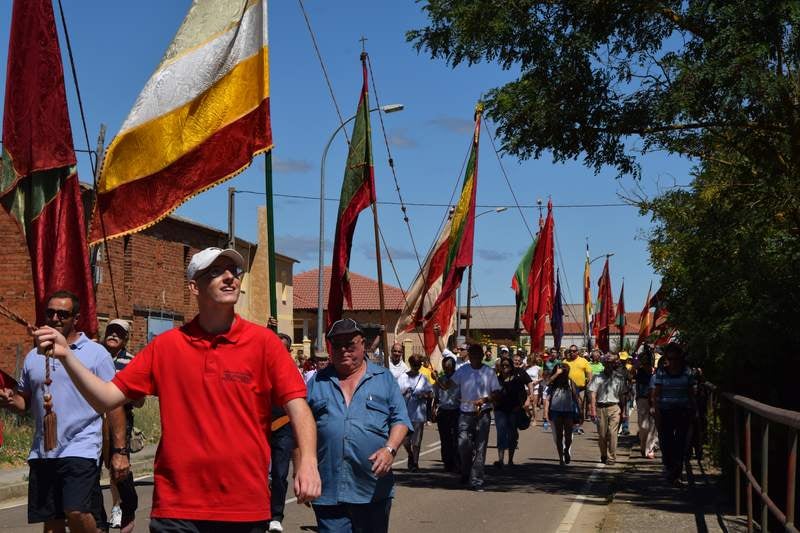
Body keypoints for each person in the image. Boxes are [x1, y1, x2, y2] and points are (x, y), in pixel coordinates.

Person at [31, 248, 321, 532]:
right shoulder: (166, 346)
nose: (230, 277)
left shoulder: (264, 344)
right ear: (195, 286)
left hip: (244, 507)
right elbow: (107, 397)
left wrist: (307, 462)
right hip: (177, 507)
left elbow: (298, 407)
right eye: (216, 272)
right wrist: (67, 356)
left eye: (234, 271)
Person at [0, 290, 118, 533]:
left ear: (76, 318)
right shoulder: (33, 356)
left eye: (63, 314)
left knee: (76, 511)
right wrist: (10, 400)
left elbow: (114, 403)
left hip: (81, 447)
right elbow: (23, 402)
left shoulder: (96, 354)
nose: (55, 318)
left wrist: (119, 451)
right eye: (50, 312)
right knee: (51, 522)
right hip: (43, 451)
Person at [306, 318, 411, 532]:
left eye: (350, 344)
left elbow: (401, 419)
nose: (343, 350)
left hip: (371, 489)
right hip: (328, 489)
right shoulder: (316, 382)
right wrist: (302, 469)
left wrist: (390, 449)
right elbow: (299, 430)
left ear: (363, 343)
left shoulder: (384, 379)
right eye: (336, 345)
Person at [101, 319, 142, 533]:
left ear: (125, 339)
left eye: (119, 333)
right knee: (91, 465)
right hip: (94, 419)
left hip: (120, 419)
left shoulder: (131, 362)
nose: (114, 335)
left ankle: (119, 507)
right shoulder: (95, 355)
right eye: (111, 331)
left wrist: (121, 393)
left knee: (117, 467)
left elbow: (140, 399)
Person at [447, 344, 501, 491]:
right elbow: (448, 385)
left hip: (482, 414)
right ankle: (466, 471)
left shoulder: (489, 372)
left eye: (477, 355)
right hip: (465, 413)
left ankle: (476, 480)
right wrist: (439, 381)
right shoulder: (463, 370)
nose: (474, 357)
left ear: (482, 356)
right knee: (462, 443)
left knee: (480, 447)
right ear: (469, 356)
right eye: (472, 355)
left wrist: (484, 400)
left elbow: (497, 393)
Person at [268, 332, 300, 533]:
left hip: (283, 426)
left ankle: (276, 515)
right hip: (259, 427)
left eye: (283, 348)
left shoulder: (292, 371)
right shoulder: (260, 367)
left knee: (279, 473)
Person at [652, 343, 697, 485]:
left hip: (682, 411)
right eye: (670, 359)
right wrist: (656, 410)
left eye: (675, 359)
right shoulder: (661, 372)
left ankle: (676, 473)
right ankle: (670, 467)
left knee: (680, 443)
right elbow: (656, 394)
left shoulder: (687, 372)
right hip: (665, 411)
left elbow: (691, 393)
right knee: (666, 443)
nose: (673, 362)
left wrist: (694, 411)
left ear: (680, 359)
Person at [587, 354, 628, 465]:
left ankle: (611, 457)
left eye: (612, 363)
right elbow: (593, 394)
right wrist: (593, 410)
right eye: (608, 363)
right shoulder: (597, 377)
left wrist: (624, 411)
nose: (610, 365)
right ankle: (604, 454)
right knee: (602, 435)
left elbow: (623, 395)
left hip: (614, 407)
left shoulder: (619, 378)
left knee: (612, 432)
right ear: (604, 364)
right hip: (601, 408)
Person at [493, 356, 531, 467]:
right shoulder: (497, 379)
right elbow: (492, 392)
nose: (505, 367)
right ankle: (500, 460)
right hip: (500, 410)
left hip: (514, 410)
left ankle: (510, 460)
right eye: (503, 365)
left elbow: (521, 394)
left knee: (512, 435)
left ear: (511, 366)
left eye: (507, 365)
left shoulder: (516, 379)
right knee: (501, 434)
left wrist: (523, 403)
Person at [397, 354, 433, 472]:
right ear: (410, 364)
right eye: (415, 364)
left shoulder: (423, 378)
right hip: (405, 414)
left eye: (418, 365)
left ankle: (415, 462)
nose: (417, 367)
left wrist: (424, 395)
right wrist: (405, 392)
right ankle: (410, 454)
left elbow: (431, 394)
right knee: (405, 440)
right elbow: (396, 394)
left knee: (416, 441)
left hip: (418, 414)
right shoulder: (403, 378)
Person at [543, 363, 581, 465]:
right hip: (556, 411)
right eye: (561, 371)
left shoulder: (570, 382)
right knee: (559, 436)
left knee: (568, 436)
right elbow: (546, 383)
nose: (563, 373)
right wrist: (556, 374)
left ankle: (566, 450)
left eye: (564, 371)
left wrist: (580, 412)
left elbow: (576, 398)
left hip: (568, 411)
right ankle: (561, 458)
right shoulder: (553, 383)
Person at [433, 357, 460, 472]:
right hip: (443, 411)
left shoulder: (457, 377)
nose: (446, 370)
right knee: (445, 439)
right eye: (444, 368)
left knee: (456, 438)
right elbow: (436, 395)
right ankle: (447, 462)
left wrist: (437, 379)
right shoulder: (441, 378)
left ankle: (457, 461)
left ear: (452, 367)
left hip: (456, 410)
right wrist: (434, 409)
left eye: (448, 367)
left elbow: (445, 387)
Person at [565, 345, 593, 434]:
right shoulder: (565, 361)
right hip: (568, 389)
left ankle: (579, 426)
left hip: (581, 388)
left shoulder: (583, 361)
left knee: (580, 407)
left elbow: (589, 374)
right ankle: (572, 425)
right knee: (569, 408)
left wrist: (589, 384)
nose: (572, 352)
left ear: (577, 352)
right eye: (570, 351)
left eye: (574, 351)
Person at [634, 358, 658, 459]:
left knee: (653, 426)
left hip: (653, 402)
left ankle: (650, 448)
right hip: (642, 401)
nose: (646, 366)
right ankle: (643, 446)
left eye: (648, 364)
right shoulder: (639, 375)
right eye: (644, 364)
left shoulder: (655, 376)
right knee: (643, 426)